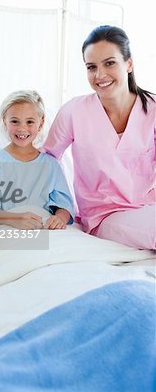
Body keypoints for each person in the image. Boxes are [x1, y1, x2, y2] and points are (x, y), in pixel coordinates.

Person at [43, 25, 155, 249]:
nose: (99, 75)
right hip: (105, 215)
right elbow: (47, 160)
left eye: (109, 63)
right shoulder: (74, 111)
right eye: (91, 67)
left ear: (129, 64)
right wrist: (61, 206)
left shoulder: (152, 108)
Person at [0, 91, 74, 229]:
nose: (22, 128)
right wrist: (13, 219)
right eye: (14, 121)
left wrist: (59, 218)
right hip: (5, 226)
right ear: (4, 121)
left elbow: (65, 206)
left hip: (42, 226)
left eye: (29, 121)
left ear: (41, 122)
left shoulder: (50, 164)